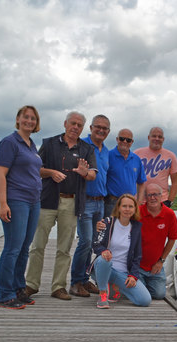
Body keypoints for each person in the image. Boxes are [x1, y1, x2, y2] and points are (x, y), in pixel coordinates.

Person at [25, 111, 97, 301]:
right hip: (48, 200)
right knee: (38, 245)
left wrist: (84, 173)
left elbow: (92, 175)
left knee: (64, 248)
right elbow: (36, 169)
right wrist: (51, 172)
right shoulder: (49, 143)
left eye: (79, 125)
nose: (75, 127)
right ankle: (31, 285)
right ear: (65, 124)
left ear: (83, 128)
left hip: (72, 202)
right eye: (72, 123)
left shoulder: (87, 149)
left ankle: (58, 287)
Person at [0, 105, 43, 309]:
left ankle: (18, 289)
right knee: (12, 248)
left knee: (24, 248)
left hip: (33, 202)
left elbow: (34, 171)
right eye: (26, 117)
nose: (29, 121)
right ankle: (4, 295)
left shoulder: (31, 144)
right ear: (18, 119)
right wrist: (3, 203)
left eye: (33, 118)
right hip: (15, 200)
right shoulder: (9, 142)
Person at [69, 114, 111, 298]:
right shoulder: (82, 145)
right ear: (91, 128)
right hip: (85, 200)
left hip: (100, 202)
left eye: (105, 128)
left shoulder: (106, 151)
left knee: (94, 243)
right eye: (98, 127)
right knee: (85, 241)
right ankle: (76, 282)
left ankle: (85, 279)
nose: (101, 130)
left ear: (108, 132)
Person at [91, 194, 151, 309]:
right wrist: (103, 251)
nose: (127, 209)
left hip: (122, 273)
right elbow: (96, 244)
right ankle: (103, 294)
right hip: (104, 267)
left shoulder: (137, 227)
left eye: (130, 206)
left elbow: (137, 256)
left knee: (144, 300)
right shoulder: (108, 222)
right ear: (118, 207)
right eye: (124, 206)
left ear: (135, 209)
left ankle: (114, 284)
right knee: (105, 259)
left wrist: (133, 275)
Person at [138, 183, 177, 299]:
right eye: (149, 195)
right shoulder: (137, 212)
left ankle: (140, 287)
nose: (152, 198)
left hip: (156, 265)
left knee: (159, 294)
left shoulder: (169, 214)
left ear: (162, 196)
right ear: (145, 197)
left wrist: (161, 261)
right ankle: (138, 286)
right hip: (137, 265)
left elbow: (172, 239)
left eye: (155, 194)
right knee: (141, 294)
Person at [104, 128, 146, 217]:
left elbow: (141, 183)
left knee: (129, 230)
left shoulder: (136, 159)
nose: (125, 142)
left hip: (130, 204)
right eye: (122, 139)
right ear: (117, 139)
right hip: (111, 203)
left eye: (128, 140)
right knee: (110, 229)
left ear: (132, 142)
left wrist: (138, 203)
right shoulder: (108, 156)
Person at [134, 127, 177, 207]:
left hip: (161, 201)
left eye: (159, 137)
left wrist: (169, 201)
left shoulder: (171, 156)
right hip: (139, 202)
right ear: (148, 137)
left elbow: (175, 182)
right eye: (154, 136)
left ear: (163, 139)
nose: (157, 139)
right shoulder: (137, 153)